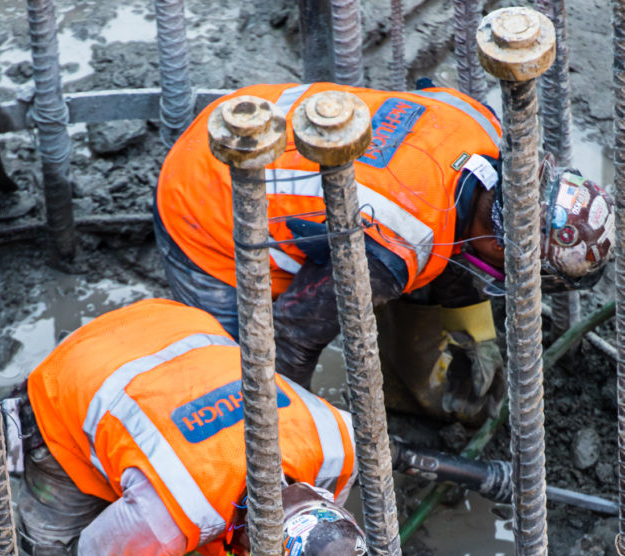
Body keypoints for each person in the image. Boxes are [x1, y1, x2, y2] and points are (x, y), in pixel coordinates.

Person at [155, 81, 615, 421]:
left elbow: (455, 228)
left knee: (404, 269)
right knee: (234, 389)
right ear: (500, 243)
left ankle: (404, 390)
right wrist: (302, 439)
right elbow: (290, 338)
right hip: (207, 207)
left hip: (248, 119)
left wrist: (473, 329)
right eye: (524, 271)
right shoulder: (394, 241)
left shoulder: (484, 128)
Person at [0, 298, 369, 556]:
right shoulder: (177, 510)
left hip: (168, 328)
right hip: (68, 392)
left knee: (159, 530)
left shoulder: (337, 444)